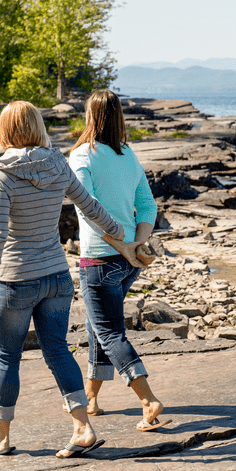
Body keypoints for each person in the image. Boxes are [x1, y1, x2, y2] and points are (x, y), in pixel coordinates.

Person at [0, 100, 139, 458]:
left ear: (5, 131)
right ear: (37, 126)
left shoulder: (1, 173)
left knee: (7, 358)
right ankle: (82, 427)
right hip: (56, 278)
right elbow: (92, 207)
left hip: (15, 280)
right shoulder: (59, 164)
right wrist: (123, 241)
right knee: (58, 351)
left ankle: (0, 439)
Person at [68, 89, 171, 431]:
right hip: (127, 263)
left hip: (99, 261)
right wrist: (137, 244)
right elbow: (147, 205)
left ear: (90, 116)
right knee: (99, 326)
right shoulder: (127, 154)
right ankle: (92, 397)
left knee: (110, 332)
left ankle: (148, 400)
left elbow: (86, 204)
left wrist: (124, 243)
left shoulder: (81, 156)